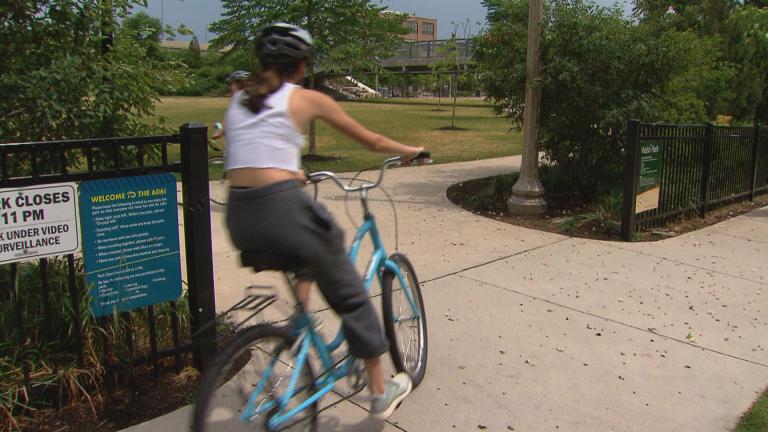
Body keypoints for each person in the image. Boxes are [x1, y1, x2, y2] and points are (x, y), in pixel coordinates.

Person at [222, 23, 425, 419]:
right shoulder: (306, 98)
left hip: (240, 215)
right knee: (349, 292)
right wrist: (413, 150)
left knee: (305, 251)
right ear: (300, 66)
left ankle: (299, 325)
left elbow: (249, 152)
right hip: (281, 210)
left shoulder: (240, 98)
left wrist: (291, 173)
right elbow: (372, 142)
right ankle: (381, 391)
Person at [212, 71, 252, 141]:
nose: (230, 87)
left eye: (232, 84)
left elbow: (228, 123)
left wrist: (218, 133)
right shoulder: (253, 98)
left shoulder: (237, 100)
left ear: (239, 84)